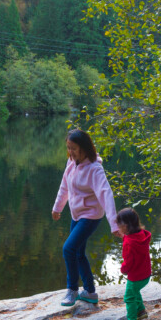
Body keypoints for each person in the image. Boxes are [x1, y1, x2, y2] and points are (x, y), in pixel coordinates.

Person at [52, 129, 120, 306]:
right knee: (78, 252)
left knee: (68, 249)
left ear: (84, 148)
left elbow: (106, 194)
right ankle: (89, 292)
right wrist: (57, 207)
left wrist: (114, 224)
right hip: (77, 214)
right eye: (68, 148)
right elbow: (64, 187)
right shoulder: (71, 163)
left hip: (90, 215)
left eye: (74, 148)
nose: (71, 152)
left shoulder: (94, 169)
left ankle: (72, 290)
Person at [115, 208, 152, 320]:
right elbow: (132, 243)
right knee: (136, 292)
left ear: (125, 225)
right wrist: (123, 235)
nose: (117, 226)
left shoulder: (129, 243)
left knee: (129, 297)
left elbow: (128, 261)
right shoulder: (141, 235)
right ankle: (141, 311)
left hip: (135, 276)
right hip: (146, 274)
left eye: (119, 224)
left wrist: (123, 269)